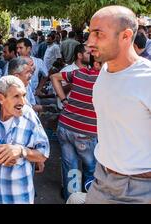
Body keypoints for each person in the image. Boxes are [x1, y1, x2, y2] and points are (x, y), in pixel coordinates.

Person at [85, 5, 151, 204]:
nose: (90, 42)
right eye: (90, 34)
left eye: (98, 34)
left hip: (139, 189)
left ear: (126, 35)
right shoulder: (104, 72)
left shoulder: (147, 77)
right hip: (102, 180)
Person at [0, 76, 50, 204]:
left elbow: (44, 153)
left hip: (17, 195)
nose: (23, 102)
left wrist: (21, 151)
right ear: (1, 98)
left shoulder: (29, 116)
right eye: (16, 96)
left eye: (24, 95)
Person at [51, 57, 101, 201]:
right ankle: (87, 198)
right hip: (85, 132)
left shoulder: (78, 73)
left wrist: (64, 100)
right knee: (90, 168)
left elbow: (54, 77)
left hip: (65, 126)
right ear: (97, 63)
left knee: (70, 166)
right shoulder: (104, 79)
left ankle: (71, 198)